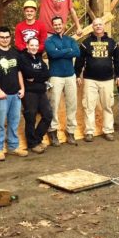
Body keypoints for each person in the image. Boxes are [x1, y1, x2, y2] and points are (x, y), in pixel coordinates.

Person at [75, 18, 119, 142]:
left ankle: (108, 130)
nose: (98, 27)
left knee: (107, 106)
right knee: (89, 106)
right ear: (93, 27)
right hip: (90, 79)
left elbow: (118, 61)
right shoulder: (86, 43)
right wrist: (77, 75)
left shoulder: (112, 43)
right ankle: (89, 131)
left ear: (104, 26)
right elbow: (79, 61)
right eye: (95, 25)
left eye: (100, 24)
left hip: (107, 79)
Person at [0, 27, 26, 161]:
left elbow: (19, 72)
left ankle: (13, 147)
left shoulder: (15, 53)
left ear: (10, 38)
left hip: (15, 94)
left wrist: (22, 88)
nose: (4, 39)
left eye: (7, 37)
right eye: (2, 37)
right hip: (1, 95)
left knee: (14, 121)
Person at [45, 16, 81, 146]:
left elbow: (77, 53)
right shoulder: (49, 41)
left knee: (72, 104)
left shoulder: (70, 39)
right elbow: (52, 54)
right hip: (55, 75)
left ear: (63, 24)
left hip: (70, 75)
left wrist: (61, 51)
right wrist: (68, 51)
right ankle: (53, 131)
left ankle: (70, 131)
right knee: (53, 104)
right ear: (52, 26)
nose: (58, 26)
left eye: (59, 24)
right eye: (55, 24)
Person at [18, 37, 53, 154]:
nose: (34, 47)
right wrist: (39, 77)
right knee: (31, 117)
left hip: (41, 91)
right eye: (31, 45)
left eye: (36, 45)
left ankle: (37, 139)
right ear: (27, 46)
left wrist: (35, 78)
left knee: (48, 115)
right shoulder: (22, 58)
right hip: (29, 92)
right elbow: (27, 73)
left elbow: (47, 73)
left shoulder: (38, 58)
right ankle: (32, 144)